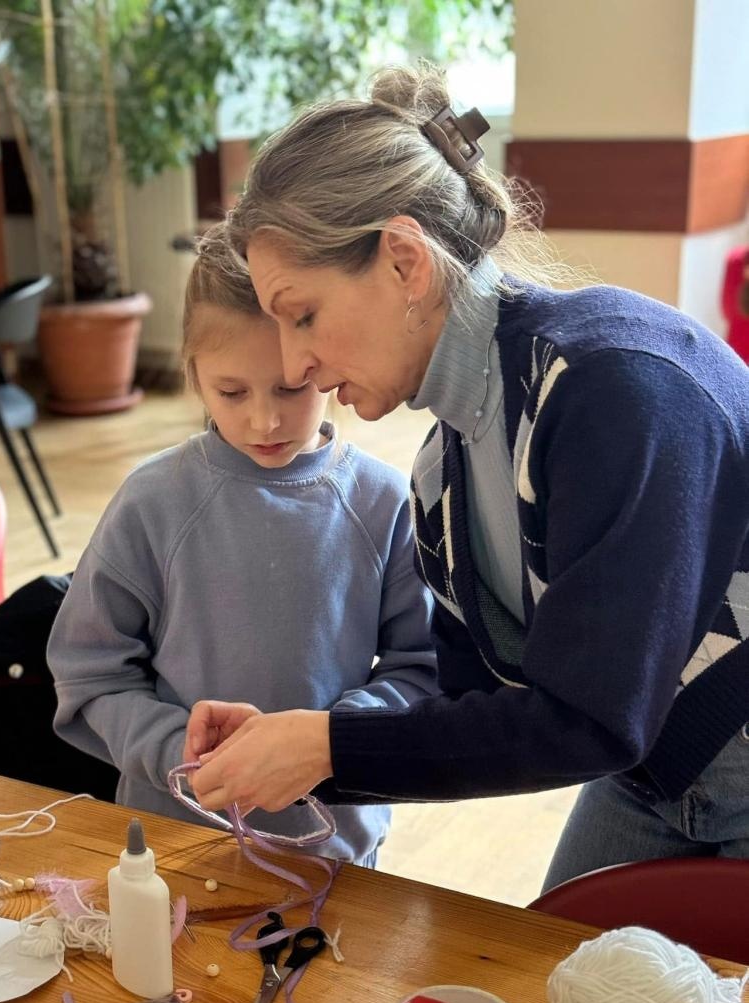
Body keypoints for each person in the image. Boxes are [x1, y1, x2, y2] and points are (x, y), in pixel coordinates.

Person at [184, 64, 749, 888]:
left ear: (404, 262)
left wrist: (326, 748)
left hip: (697, 763)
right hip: (656, 776)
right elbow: (469, 703)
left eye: (302, 315)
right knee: (559, 967)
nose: (296, 363)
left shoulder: (616, 392)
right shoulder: (440, 472)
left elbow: (589, 720)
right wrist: (298, 739)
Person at [46, 224, 437, 865]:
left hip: (334, 851)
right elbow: (91, 676)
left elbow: (422, 669)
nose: (264, 419)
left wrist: (330, 741)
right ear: (194, 375)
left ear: (325, 362)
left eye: (291, 387)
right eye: (231, 392)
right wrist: (180, 749)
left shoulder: (384, 501)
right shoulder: (152, 501)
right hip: (173, 842)